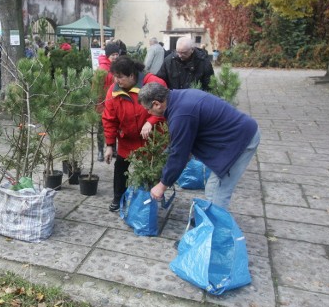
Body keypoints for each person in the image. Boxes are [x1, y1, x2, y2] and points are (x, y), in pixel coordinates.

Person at [138, 82, 260, 210]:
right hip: (235, 135)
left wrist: (162, 185)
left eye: (148, 109)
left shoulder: (181, 114)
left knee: (219, 191)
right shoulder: (179, 97)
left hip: (240, 141)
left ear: (157, 104)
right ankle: (210, 219)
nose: (148, 113)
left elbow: (179, 154)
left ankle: (216, 226)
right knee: (212, 187)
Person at [102, 56, 167, 212]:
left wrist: (151, 120)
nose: (116, 80)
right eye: (115, 76)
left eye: (120, 77)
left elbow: (165, 106)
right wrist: (110, 145)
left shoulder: (153, 83)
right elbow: (109, 119)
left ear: (132, 75)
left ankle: (150, 199)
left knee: (150, 171)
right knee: (120, 167)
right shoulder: (113, 91)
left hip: (151, 139)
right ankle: (119, 197)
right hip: (128, 139)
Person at [94, 42, 120, 162]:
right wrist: (99, 105)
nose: (115, 57)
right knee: (101, 128)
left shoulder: (117, 67)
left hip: (115, 103)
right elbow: (96, 89)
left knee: (114, 126)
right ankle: (100, 150)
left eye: (116, 54)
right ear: (108, 55)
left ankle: (113, 148)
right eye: (113, 55)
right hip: (103, 103)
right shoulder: (102, 69)